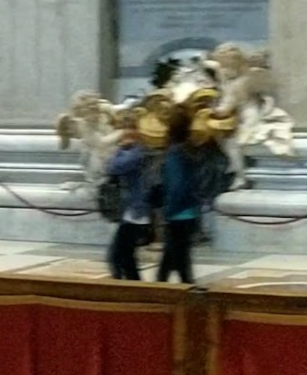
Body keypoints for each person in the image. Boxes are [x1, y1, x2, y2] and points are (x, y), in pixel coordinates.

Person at [159, 101, 234, 286]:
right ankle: (163, 294)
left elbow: (176, 185)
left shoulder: (175, 153)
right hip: (190, 211)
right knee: (175, 261)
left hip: (177, 212)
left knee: (177, 263)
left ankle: (167, 298)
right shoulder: (190, 150)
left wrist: (168, 211)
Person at [99, 101, 163, 282]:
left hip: (136, 209)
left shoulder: (136, 152)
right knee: (123, 255)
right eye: (124, 127)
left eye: (130, 127)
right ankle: (130, 287)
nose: (126, 131)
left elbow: (114, 167)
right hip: (131, 209)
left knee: (119, 255)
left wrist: (120, 148)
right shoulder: (130, 150)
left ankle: (130, 288)